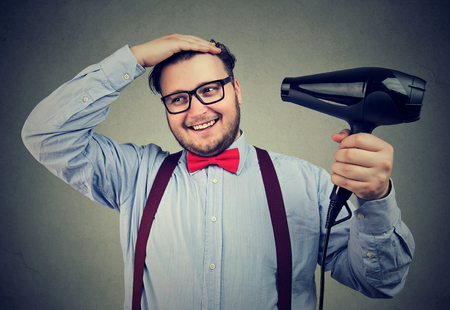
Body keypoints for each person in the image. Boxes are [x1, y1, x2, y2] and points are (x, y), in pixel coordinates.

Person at [22, 34, 414, 310]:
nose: (196, 111)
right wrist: (134, 58)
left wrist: (375, 200)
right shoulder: (133, 175)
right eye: (178, 98)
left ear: (237, 89)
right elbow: (45, 133)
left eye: (210, 89)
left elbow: (381, 282)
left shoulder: (306, 183)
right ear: (166, 107)